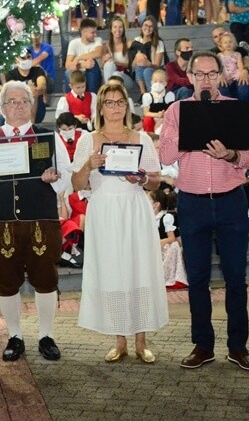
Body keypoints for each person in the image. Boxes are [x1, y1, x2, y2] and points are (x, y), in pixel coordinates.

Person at [159, 51, 249, 371]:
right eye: (199, 74)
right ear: (189, 77)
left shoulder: (233, 108)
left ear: (220, 76)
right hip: (192, 203)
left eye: (211, 73)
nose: (205, 79)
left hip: (231, 200)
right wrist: (192, 136)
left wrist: (231, 154)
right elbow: (164, 155)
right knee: (198, 278)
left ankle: (238, 347)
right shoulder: (177, 110)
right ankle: (203, 345)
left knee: (236, 278)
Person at [71, 82, 168, 363]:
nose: (115, 108)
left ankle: (141, 341)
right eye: (109, 103)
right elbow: (77, 184)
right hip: (104, 209)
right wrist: (89, 165)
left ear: (127, 106)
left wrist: (140, 177)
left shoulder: (141, 138)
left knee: (139, 268)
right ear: (100, 108)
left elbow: (155, 180)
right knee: (113, 271)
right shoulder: (88, 140)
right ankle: (119, 340)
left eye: (120, 102)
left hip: (134, 208)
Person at [0, 81, 71, 361]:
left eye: (23, 101)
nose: (18, 106)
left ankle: (46, 335)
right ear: (2, 107)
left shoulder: (49, 137)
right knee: (6, 280)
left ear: (32, 105)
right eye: (12, 101)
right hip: (3, 222)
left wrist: (54, 178)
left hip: (41, 220)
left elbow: (67, 176)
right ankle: (14, 336)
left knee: (45, 277)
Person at [150, 188, 187, 290]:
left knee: (173, 247)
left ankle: (168, 276)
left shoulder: (166, 217)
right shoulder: (151, 218)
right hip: (158, 244)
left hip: (166, 244)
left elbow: (171, 238)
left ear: (156, 204)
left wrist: (157, 242)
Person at [2, 50, 48, 124]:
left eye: (28, 57)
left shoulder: (38, 71)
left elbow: (42, 86)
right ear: (17, 60)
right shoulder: (11, 74)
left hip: (38, 110)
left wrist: (31, 91)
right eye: (23, 58)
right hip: (17, 108)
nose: (26, 60)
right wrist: (27, 90)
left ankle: (30, 126)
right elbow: (11, 89)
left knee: (33, 93)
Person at [128, 15, 165, 95]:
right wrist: (137, 57)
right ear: (142, 26)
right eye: (145, 25)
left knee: (147, 71)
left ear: (154, 29)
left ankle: (152, 94)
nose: (148, 28)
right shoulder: (137, 41)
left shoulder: (159, 43)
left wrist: (149, 64)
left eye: (151, 26)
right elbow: (132, 65)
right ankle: (143, 94)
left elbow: (158, 66)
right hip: (139, 70)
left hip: (156, 70)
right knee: (139, 66)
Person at [65, 18, 103, 93]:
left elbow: (98, 53)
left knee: (93, 63)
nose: (95, 35)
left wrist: (79, 58)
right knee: (68, 72)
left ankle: (92, 98)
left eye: (96, 32)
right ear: (84, 32)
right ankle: (70, 100)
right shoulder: (74, 43)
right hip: (79, 73)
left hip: (94, 73)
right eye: (93, 33)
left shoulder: (98, 40)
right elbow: (68, 65)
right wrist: (83, 65)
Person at [101, 16, 136, 95]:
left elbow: (133, 65)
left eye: (120, 27)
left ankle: (108, 94)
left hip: (126, 77)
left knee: (116, 75)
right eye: (115, 27)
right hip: (110, 76)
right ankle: (109, 94)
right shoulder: (106, 44)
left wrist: (118, 63)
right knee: (109, 65)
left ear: (123, 29)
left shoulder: (129, 43)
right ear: (111, 29)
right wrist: (105, 59)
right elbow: (104, 66)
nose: (118, 30)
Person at [215, 32, 249, 101]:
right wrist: (220, 74)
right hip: (224, 75)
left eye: (230, 42)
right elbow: (218, 66)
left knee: (243, 87)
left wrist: (242, 74)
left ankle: (245, 107)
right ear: (221, 44)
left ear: (234, 43)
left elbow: (240, 66)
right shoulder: (219, 55)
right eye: (225, 42)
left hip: (235, 75)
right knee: (222, 90)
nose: (228, 44)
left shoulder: (237, 54)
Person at [141, 68, 175, 133]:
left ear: (165, 83)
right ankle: (150, 137)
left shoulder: (169, 95)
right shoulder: (147, 96)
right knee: (147, 119)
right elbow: (146, 113)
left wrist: (163, 115)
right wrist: (157, 115)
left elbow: (171, 112)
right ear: (151, 82)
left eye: (161, 81)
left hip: (164, 120)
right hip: (152, 119)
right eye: (155, 81)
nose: (158, 84)